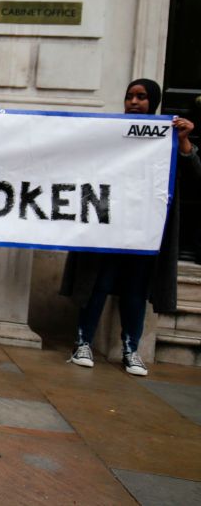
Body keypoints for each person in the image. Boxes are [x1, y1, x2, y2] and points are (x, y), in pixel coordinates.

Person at [61, 78, 200, 376]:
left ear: (154, 102)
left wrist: (185, 142)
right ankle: (83, 343)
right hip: (109, 225)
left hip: (144, 230)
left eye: (142, 97)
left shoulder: (169, 137)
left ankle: (130, 349)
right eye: (130, 97)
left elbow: (194, 174)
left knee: (136, 289)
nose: (134, 102)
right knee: (98, 284)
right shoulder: (111, 132)